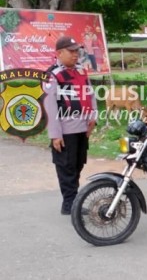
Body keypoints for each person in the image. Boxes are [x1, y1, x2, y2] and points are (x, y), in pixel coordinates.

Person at [44, 36, 98, 215]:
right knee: (66, 166)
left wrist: (93, 118)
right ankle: (70, 203)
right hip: (65, 130)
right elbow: (50, 106)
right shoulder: (52, 75)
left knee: (77, 164)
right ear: (59, 53)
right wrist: (55, 134)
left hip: (82, 128)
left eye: (77, 51)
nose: (76, 55)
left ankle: (72, 200)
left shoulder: (81, 71)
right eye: (71, 51)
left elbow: (90, 95)